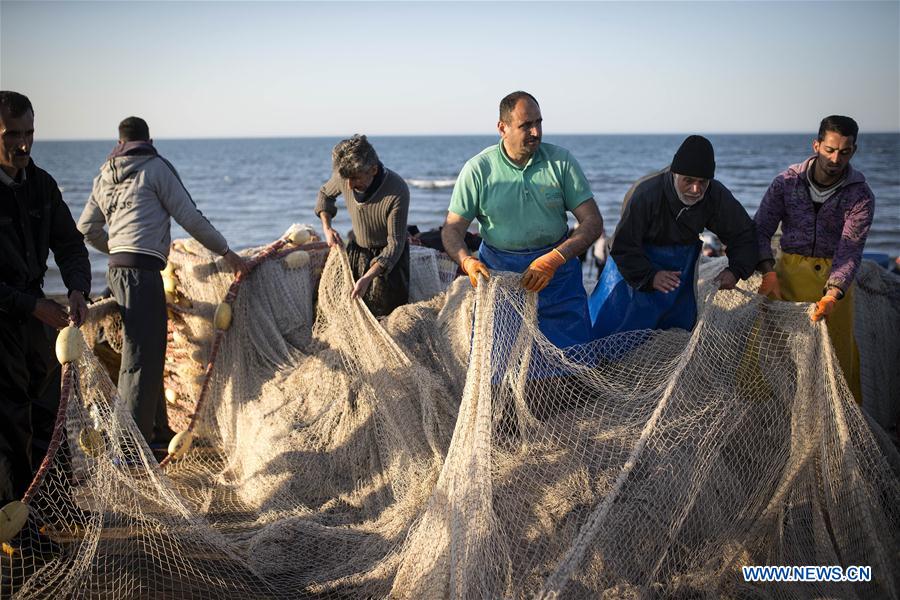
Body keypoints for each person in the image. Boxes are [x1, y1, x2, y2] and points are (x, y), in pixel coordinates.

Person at [77, 116, 248, 445]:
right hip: (142, 273)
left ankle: (156, 432)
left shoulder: (105, 173)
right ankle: (129, 447)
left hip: (117, 270)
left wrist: (115, 248)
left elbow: (87, 228)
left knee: (148, 353)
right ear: (149, 140)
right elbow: (191, 217)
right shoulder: (156, 168)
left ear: (120, 141)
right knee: (141, 358)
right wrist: (227, 252)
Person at [441, 91, 603, 349]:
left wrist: (555, 259)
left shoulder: (561, 162)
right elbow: (452, 229)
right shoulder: (478, 169)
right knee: (502, 365)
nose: (536, 132)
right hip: (500, 277)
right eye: (526, 125)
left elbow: (593, 222)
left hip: (558, 276)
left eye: (539, 122)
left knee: (572, 363)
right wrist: (467, 262)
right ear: (502, 128)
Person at [0, 91, 91, 509]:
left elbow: (71, 246)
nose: (22, 144)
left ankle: (53, 507)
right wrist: (30, 304)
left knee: (47, 412)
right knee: (9, 425)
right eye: (11, 134)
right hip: (3, 322)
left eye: (29, 133)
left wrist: (77, 289)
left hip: (35, 322)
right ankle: (16, 529)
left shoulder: (41, 185)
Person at [754, 115, 874, 404]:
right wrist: (767, 272)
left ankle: (834, 418)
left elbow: (850, 250)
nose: (836, 158)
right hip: (786, 277)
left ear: (853, 151)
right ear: (816, 145)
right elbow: (759, 231)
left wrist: (834, 294)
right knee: (771, 352)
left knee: (835, 359)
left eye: (844, 152)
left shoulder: (861, 196)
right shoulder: (785, 183)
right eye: (830, 149)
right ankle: (764, 414)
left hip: (832, 282)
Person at [589, 135, 757, 339]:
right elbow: (623, 246)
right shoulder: (645, 193)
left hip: (679, 266)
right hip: (634, 263)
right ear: (674, 173)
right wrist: (649, 276)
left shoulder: (715, 195)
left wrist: (736, 270)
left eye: (702, 182)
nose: (696, 189)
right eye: (688, 181)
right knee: (612, 327)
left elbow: (744, 233)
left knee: (675, 329)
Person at [316, 135, 410, 318]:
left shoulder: (397, 190)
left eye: (355, 179)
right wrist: (327, 228)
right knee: (347, 310)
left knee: (388, 316)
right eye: (346, 180)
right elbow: (325, 195)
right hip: (357, 250)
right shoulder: (345, 175)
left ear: (373, 169)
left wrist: (368, 277)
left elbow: (395, 244)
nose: (349, 186)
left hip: (389, 260)